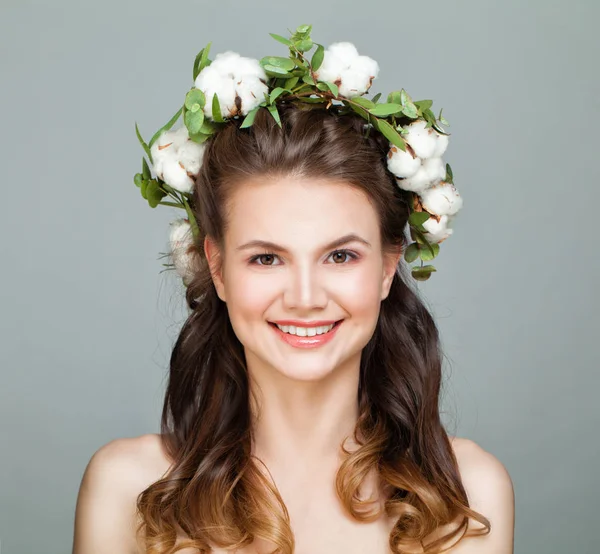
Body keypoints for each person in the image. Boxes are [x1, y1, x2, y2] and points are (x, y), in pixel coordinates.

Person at [72, 28, 514, 554]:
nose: (305, 296)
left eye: (341, 255)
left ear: (387, 267)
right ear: (216, 268)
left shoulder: (467, 497)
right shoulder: (127, 489)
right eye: (266, 258)